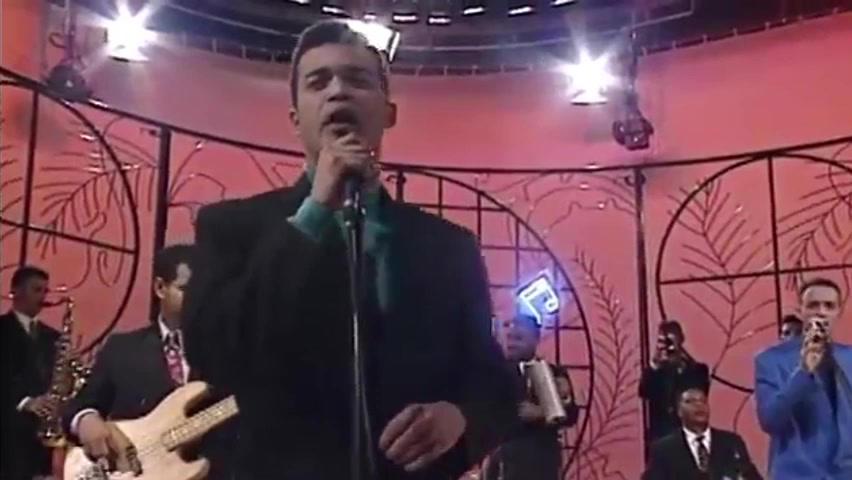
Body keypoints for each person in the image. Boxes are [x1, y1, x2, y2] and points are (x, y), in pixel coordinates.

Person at [183, 19, 519, 480]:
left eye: (357, 79)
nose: (338, 91)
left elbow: (493, 384)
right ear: (295, 118)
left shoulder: (449, 246)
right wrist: (315, 212)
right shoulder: (230, 228)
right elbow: (214, 353)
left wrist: (460, 418)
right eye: (318, 82)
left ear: (388, 112)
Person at [60, 244, 233, 478]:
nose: (197, 299)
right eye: (186, 289)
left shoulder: (227, 351)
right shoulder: (122, 349)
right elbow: (79, 405)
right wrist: (86, 421)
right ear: (160, 288)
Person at [754, 277, 852, 480]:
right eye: (813, 305)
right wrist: (804, 371)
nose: (821, 312)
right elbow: (770, 420)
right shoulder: (771, 360)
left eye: (829, 306)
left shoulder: (849, 358)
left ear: (839, 312)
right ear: (801, 310)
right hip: (797, 473)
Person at [483, 314, 579, 480]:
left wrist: (542, 413)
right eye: (509, 338)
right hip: (505, 464)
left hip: (543, 463)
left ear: (535, 338)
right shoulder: (495, 374)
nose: (512, 344)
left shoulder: (554, 372)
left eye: (518, 338)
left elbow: (571, 415)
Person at [0, 266, 60, 480]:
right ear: (16, 291)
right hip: (7, 436)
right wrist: (26, 402)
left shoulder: (53, 337)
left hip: (40, 440)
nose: (43, 297)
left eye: (45, 291)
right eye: (36, 290)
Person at [642, 386, 762, 480]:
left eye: (702, 401)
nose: (698, 405)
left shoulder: (731, 442)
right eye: (690, 401)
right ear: (679, 411)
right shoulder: (664, 449)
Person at [639, 320, 710, 443]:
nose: (667, 346)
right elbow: (643, 391)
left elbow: (700, 392)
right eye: (662, 341)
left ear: (680, 340)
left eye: (670, 341)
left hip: (689, 435)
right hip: (661, 437)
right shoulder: (657, 372)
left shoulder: (697, 370)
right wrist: (656, 364)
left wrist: (680, 358)